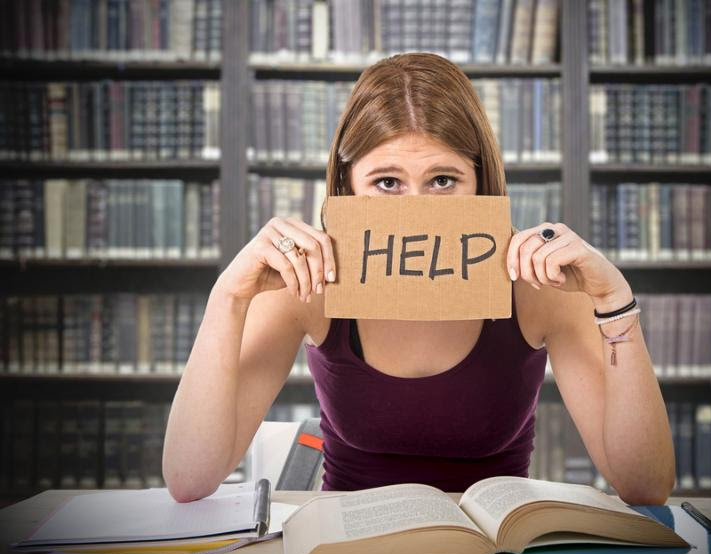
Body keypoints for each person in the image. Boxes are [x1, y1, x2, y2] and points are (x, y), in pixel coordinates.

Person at [162, 52, 675, 504]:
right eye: (387, 182)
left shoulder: (537, 285)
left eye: (443, 181)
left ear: (480, 185)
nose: (415, 211)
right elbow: (190, 477)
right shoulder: (311, 282)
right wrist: (229, 295)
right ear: (346, 186)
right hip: (348, 553)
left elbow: (645, 485)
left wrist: (614, 299)